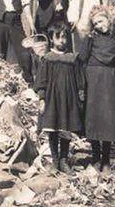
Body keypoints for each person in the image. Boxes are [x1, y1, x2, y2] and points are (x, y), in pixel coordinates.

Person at [78, 5, 115, 172]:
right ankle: (95, 156)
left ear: (108, 18)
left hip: (110, 81)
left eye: (101, 21)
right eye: (95, 23)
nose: (99, 25)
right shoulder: (91, 38)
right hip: (93, 81)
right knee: (93, 119)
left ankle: (106, 159)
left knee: (108, 120)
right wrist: (82, 85)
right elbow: (83, 59)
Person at [33, 27, 84, 173]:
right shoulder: (48, 59)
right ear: (52, 39)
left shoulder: (72, 58)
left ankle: (63, 159)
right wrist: (42, 98)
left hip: (68, 99)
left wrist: (81, 95)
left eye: (64, 37)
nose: (62, 41)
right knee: (53, 129)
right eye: (58, 37)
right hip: (52, 99)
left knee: (66, 129)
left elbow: (80, 79)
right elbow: (42, 81)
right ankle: (55, 160)